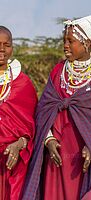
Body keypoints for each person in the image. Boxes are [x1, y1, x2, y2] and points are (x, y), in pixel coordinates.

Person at [22, 15, 91, 200]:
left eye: (70, 41)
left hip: (83, 154)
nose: (65, 45)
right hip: (55, 150)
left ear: (87, 43)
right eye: (64, 40)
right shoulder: (58, 71)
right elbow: (43, 109)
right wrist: (48, 139)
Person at [0, 26, 37, 200]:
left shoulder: (22, 83)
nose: (2, 49)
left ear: (12, 47)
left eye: (6, 45)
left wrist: (18, 144)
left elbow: (31, 127)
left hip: (12, 159)